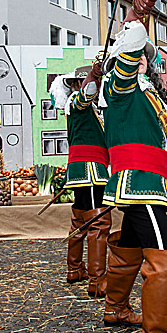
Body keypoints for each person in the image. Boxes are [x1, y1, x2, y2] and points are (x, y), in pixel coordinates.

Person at [102, 0, 167, 333]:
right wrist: (135, 20)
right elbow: (123, 66)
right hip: (139, 182)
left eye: (141, 55)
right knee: (165, 255)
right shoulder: (116, 85)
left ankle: (115, 306)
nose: (140, 59)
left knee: (130, 245)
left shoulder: (147, 91)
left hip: (152, 180)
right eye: (134, 54)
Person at [50, 63, 111, 295]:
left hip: (83, 166)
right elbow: (86, 94)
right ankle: (97, 280)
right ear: (78, 84)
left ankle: (74, 269)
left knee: (80, 217)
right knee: (98, 221)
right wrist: (95, 75)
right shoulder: (77, 100)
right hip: (90, 167)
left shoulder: (88, 107)